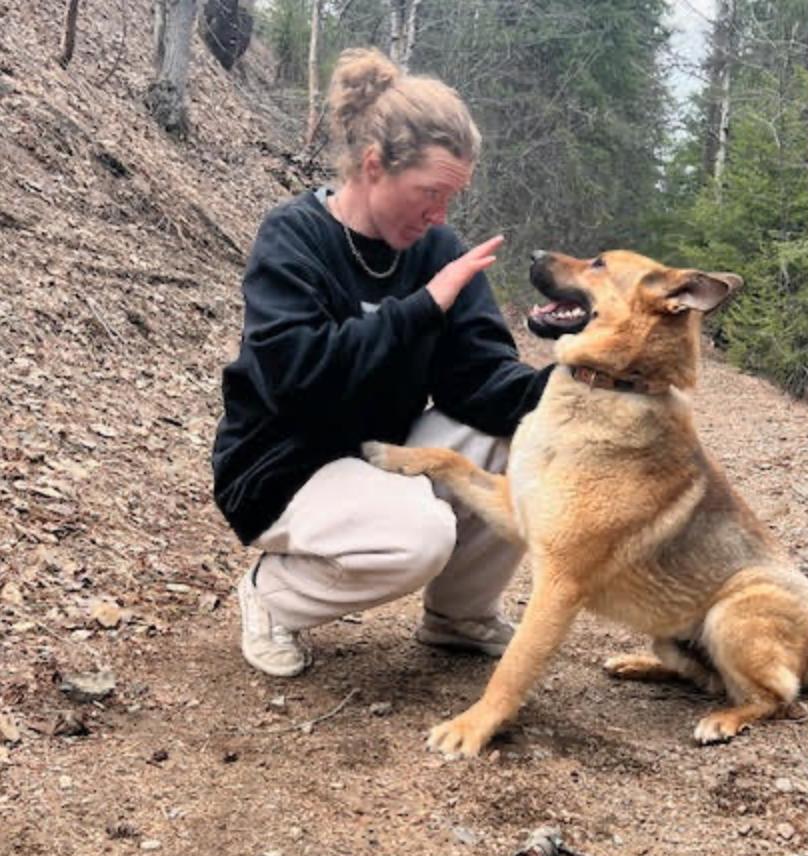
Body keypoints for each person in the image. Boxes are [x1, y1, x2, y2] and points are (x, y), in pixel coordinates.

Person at [211, 47, 554, 678]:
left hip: (375, 455)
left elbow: (478, 378)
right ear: (373, 166)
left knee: (526, 433)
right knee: (420, 534)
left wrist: (571, 388)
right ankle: (272, 596)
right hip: (283, 466)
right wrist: (421, 307)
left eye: (451, 197)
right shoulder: (293, 236)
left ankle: (459, 615)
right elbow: (296, 378)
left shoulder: (437, 250)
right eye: (430, 193)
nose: (440, 215)